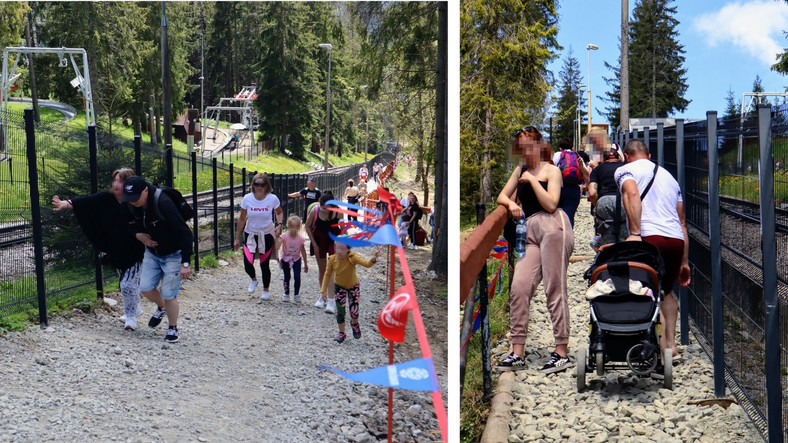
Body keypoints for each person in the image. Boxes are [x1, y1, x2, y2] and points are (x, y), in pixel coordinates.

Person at [495, 126, 575, 373]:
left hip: (554, 227)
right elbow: (501, 196)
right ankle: (517, 350)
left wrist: (531, 180)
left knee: (554, 287)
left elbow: (551, 203)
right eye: (522, 146)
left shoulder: (552, 170)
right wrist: (511, 204)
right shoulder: (520, 170)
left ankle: (561, 350)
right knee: (519, 287)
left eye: (530, 144)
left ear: (540, 145)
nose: (526, 150)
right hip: (528, 231)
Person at [615, 139, 691, 378]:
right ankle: (671, 346)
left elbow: (631, 193)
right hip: (675, 240)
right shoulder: (670, 177)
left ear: (626, 155)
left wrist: (635, 232)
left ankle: (657, 353)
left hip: (650, 237)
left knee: (649, 291)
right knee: (667, 291)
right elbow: (681, 221)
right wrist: (684, 262)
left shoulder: (625, 169)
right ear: (648, 155)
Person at [51, 168, 145, 331]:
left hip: (136, 251)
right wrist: (63, 204)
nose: (116, 184)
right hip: (116, 250)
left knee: (127, 284)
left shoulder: (135, 201)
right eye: (115, 180)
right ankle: (135, 308)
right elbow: (84, 202)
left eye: (121, 181)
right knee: (126, 281)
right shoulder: (105, 198)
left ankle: (131, 318)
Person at [122, 176, 193, 343]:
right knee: (145, 288)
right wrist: (137, 235)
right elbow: (127, 224)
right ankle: (162, 307)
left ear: (145, 191)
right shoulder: (131, 204)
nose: (132, 202)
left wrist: (185, 262)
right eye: (129, 199)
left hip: (174, 254)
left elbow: (185, 232)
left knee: (169, 294)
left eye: (135, 198)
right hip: (152, 252)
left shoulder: (163, 203)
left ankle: (172, 328)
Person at [234, 173, 283, 302]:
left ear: (267, 186)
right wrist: (237, 238)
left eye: (262, 184)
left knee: (264, 263)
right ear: (253, 186)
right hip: (250, 233)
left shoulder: (272, 199)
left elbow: (279, 212)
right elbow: (242, 218)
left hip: (266, 234)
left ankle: (266, 290)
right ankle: (253, 279)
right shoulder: (247, 198)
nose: (259, 187)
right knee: (247, 262)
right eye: (256, 184)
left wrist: (280, 225)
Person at [320, 243, 380, 343]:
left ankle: (354, 323)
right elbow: (327, 274)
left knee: (354, 312)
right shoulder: (332, 259)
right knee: (340, 311)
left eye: (342, 249)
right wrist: (323, 290)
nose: (339, 251)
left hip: (353, 286)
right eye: (337, 248)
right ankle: (341, 333)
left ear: (348, 249)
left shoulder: (352, 257)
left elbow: (366, 264)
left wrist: (373, 259)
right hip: (339, 287)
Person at [306, 193, 342, 314]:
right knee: (323, 270)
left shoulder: (339, 212)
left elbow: (343, 228)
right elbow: (307, 227)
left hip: (333, 241)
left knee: (331, 270)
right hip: (318, 240)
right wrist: (314, 244)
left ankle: (331, 301)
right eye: (323, 208)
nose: (325, 211)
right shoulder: (315, 211)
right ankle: (323, 296)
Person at [588, 148, 629, 247]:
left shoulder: (598, 169)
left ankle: (607, 257)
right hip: (625, 201)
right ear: (619, 157)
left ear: (603, 159)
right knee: (625, 235)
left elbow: (592, 193)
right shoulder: (626, 167)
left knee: (606, 238)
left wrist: (596, 205)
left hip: (604, 201)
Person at [552, 138, 589, 228]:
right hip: (574, 189)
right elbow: (586, 175)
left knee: (556, 216)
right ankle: (568, 238)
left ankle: (557, 238)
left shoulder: (557, 155)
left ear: (560, 148)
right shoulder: (577, 156)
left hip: (559, 188)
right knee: (569, 216)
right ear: (572, 147)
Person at [279, 214, 308, 303]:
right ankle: (286, 293)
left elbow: (303, 251)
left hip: (296, 259)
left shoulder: (300, 239)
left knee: (297, 276)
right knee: (287, 276)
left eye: (296, 227)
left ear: (299, 227)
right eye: (291, 226)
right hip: (286, 259)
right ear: (288, 226)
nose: (293, 229)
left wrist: (306, 264)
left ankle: (296, 294)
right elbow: (278, 246)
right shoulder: (284, 236)